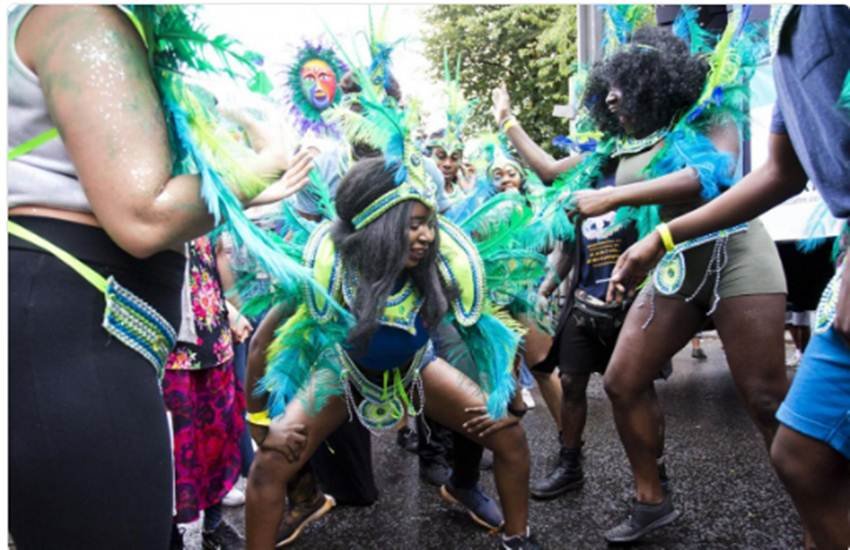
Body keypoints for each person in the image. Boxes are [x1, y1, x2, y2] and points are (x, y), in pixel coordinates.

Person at [8, 5, 309, 549]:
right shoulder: (83, 14)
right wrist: (267, 158)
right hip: (72, 330)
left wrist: (253, 189)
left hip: (87, 329)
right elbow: (144, 215)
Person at [607, 6, 850, 548]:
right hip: (677, 265)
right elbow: (780, 172)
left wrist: (619, 197)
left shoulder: (712, 107)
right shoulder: (628, 141)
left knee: (767, 402)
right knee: (622, 379)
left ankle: (819, 514)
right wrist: (653, 239)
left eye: (622, 84)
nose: (611, 97)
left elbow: (714, 174)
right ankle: (652, 502)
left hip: (737, 256)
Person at [245, 155, 540, 550]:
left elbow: (495, 330)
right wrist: (260, 423)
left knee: (510, 437)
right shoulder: (329, 270)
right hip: (343, 372)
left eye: (429, 224)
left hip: (415, 368)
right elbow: (262, 343)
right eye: (413, 225)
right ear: (376, 225)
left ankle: (518, 539)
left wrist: (510, 395)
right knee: (268, 466)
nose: (427, 236)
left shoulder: (440, 266)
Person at [165, 236, 249, 550]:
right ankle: (178, 536)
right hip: (172, 354)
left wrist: (235, 310)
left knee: (219, 445)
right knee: (177, 455)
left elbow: (220, 262)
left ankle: (211, 525)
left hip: (215, 342)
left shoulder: (206, 202)